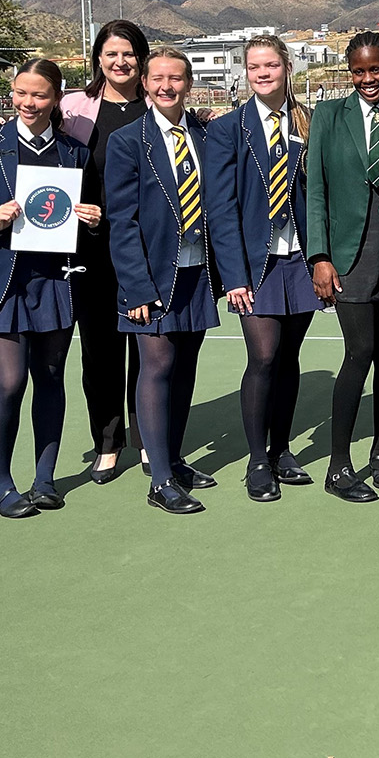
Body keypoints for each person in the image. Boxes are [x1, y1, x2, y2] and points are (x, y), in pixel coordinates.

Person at [0, 58, 98, 518]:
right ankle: (2, 484)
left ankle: (45, 480)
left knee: (50, 379)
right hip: (0, 282)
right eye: (22, 93)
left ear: (56, 98)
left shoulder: (72, 153)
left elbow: (78, 221)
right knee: (10, 382)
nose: (29, 103)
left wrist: (90, 220)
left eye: (40, 95)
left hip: (53, 282)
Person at [206, 34, 323, 503]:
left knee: (290, 358)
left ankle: (281, 448)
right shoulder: (228, 129)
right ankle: (257, 460)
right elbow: (220, 206)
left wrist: (320, 257)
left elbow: (319, 195)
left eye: (270, 65)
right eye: (254, 67)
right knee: (264, 357)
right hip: (254, 265)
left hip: (299, 258)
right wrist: (233, 275)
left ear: (287, 66)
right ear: (245, 72)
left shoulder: (308, 122)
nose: (262, 73)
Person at [306, 31, 379, 502]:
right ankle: (338, 466)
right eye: (358, 71)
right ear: (349, 71)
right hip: (348, 252)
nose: (367, 79)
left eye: (376, 69)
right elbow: (315, 190)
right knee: (358, 353)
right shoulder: (329, 117)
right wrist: (320, 256)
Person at [105, 47, 218, 515]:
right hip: (151, 278)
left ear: (188, 84)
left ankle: (174, 457)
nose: (166, 86)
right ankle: (160, 478)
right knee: (157, 365)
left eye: (175, 78)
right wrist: (136, 287)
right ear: (146, 84)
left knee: (186, 367)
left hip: (197, 273)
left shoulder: (206, 134)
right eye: (158, 78)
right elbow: (122, 220)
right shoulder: (129, 141)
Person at [60, 20, 154, 485]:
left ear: (142, 58)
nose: (121, 62)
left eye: (130, 54)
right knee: (99, 351)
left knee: (148, 349)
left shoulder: (158, 104)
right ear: (98, 58)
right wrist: (4, 125)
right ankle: (108, 442)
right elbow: (36, 140)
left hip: (146, 250)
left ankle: (147, 438)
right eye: (111, 53)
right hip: (90, 251)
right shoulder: (74, 109)